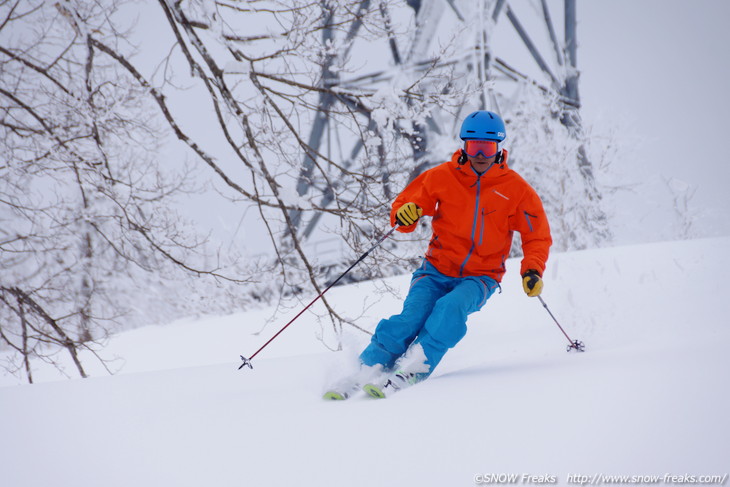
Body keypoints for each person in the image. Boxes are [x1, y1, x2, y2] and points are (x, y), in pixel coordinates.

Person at [356, 110, 553, 398]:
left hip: (480, 277)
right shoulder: (442, 177)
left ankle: (416, 363)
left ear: (499, 148)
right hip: (435, 270)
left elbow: (537, 235)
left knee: (450, 309)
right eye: (475, 147)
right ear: (464, 146)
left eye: (488, 147)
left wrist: (532, 270)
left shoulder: (516, 190)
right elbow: (405, 209)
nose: (481, 154)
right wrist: (405, 213)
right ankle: (368, 365)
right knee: (412, 317)